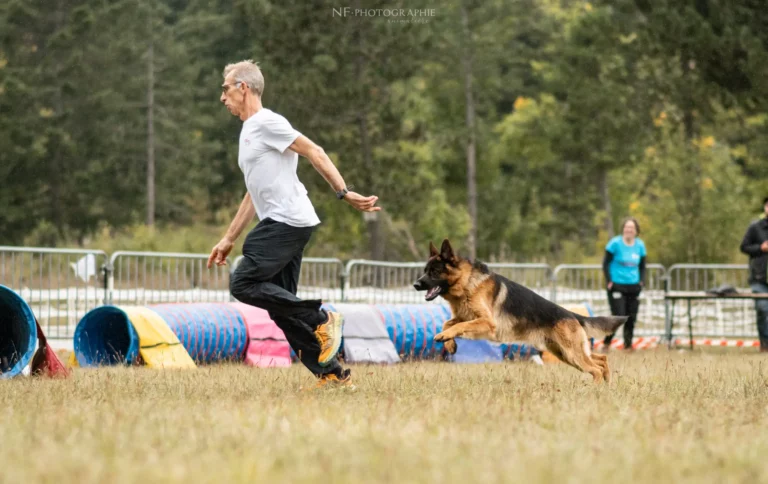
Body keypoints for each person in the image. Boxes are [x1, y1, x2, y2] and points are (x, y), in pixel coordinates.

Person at [207, 60, 381, 388]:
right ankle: (332, 375)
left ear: (244, 88)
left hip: (286, 221)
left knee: (242, 282)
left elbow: (313, 150)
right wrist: (228, 237)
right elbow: (253, 192)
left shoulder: (267, 122)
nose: (222, 96)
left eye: (226, 88)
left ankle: (323, 318)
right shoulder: (249, 131)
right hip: (289, 221)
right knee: (282, 308)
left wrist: (343, 192)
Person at [601, 217, 646, 351]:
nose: (629, 230)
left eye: (631, 228)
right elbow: (605, 264)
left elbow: (643, 266)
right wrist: (609, 280)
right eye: (627, 227)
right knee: (619, 315)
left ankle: (628, 346)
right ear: (623, 229)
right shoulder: (614, 244)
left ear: (636, 231)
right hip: (617, 285)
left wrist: (642, 282)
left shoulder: (640, 246)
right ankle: (606, 343)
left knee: (631, 317)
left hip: (633, 285)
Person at [739, 197, 768, 352]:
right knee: (763, 309)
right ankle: (765, 344)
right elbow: (743, 247)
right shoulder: (755, 227)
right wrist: (760, 248)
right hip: (759, 277)